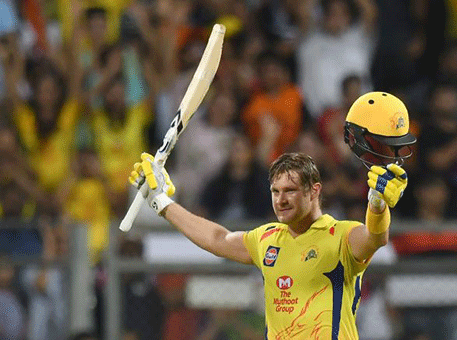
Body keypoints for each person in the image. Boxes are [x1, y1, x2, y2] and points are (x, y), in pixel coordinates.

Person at [128, 92, 414, 339]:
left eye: (290, 190)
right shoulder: (267, 239)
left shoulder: (341, 235)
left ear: (314, 191)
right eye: (275, 191)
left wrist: (376, 205)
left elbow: (376, 237)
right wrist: (163, 204)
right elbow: (217, 238)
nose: (280, 200)